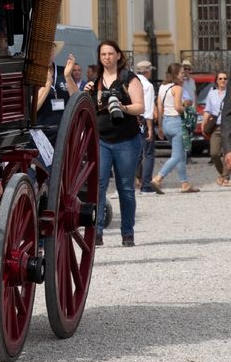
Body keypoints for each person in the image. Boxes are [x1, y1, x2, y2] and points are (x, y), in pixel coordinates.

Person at [82, 41, 144, 247]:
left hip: (127, 139)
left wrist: (121, 107)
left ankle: (127, 232)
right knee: (98, 186)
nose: (107, 57)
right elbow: (83, 104)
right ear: (99, 57)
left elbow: (140, 107)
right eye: (103, 54)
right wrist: (85, 90)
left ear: (118, 55)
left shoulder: (129, 78)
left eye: (110, 53)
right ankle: (96, 232)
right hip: (101, 139)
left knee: (125, 187)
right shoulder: (96, 81)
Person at [152, 63, 200, 195]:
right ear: (175, 75)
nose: (183, 76)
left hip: (166, 122)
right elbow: (178, 107)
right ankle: (158, 178)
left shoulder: (162, 87)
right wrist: (189, 109)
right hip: (176, 122)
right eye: (181, 73)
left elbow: (160, 108)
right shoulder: (177, 88)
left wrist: (160, 127)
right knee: (177, 156)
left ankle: (185, 183)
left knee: (181, 154)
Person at [134, 59, 158, 193]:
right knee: (148, 153)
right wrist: (150, 128)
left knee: (135, 152)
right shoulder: (147, 86)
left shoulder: (131, 82)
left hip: (131, 118)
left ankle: (136, 179)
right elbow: (148, 109)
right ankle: (146, 185)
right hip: (143, 119)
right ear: (147, 72)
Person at [203, 71, 228, 185]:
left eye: (225, 78)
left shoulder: (229, 93)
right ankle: (224, 174)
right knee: (214, 153)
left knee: (228, 153)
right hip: (216, 127)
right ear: (216, 81)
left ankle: (225, 178)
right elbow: (208, 110)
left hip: (228, 127)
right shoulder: (211, 94)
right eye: (220, 78)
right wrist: (204, 123)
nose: (223, 80)